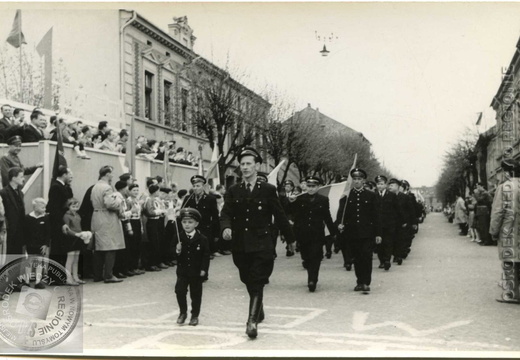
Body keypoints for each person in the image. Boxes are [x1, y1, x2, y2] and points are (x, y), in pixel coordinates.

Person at [220, 147, 295, 339]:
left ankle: (251, 321)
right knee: (247, 278)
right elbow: (226, 213)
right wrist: (226, 227)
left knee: (257, 279)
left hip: (262, 243)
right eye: (242, 164)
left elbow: (279, 215)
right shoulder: (233, 190)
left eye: (248, 164)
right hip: (240, 244)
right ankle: (258, 308)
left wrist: (291, 240)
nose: (244, 168)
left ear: (257, 166)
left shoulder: (268, 190)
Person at [336, 168, 381, 293]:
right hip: (352, 233)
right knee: (356, 257)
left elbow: (376, 216)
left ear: (364, 181)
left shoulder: (371, 196)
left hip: (367, 233)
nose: (356, 181)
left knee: (366, 257)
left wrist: (378, 233)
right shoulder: (346, 196)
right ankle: (359, 281)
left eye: (359, 179)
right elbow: (341, 214)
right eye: (354, 179)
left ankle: (366, 282)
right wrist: (340, 224)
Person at [288, 175, 335, 292]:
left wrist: (333, 232)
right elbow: (291, 213)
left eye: (313, 186)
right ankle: (310, 271)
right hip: (302, 233)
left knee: (315, 256)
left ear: (318, 187)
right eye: (309, 186)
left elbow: (327, 216)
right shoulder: (300, 199)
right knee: (306, 257)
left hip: (317, 233)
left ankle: (312, 280)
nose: (311, 189)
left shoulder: (323, 200)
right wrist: (291, 202)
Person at [490, 159, 520, 303]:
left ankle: (512, 293)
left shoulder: (504, 187)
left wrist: (493, 231)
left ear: (505, 172)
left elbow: (498, 212)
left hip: (510, 230)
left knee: (509, 261)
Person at [175, 208, 210, 326]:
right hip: (182, 271)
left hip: (196, 272)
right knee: (179, 291)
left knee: (195, 294)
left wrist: (204, 270)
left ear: (196, 223)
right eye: (184, 222)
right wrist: (177, 250)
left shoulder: (202, 239)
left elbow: (205, 256)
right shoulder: (179, 238)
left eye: (190, 222)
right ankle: (182, 313)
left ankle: (195, 315)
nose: (187, 225)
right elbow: (170, 253)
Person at [91, 165, 126, 283]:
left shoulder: (95, 186)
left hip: (96, 216)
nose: (112, 176)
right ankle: (109, 275)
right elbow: (110, 204)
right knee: (111, 246)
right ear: (107, 174)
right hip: (107, 217)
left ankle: (97, 274)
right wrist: (119, 202)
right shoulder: (107, 187)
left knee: (99, 247)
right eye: (111, 173)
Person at [0, 167, 26, 287]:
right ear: (14, 178)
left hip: (20, 230)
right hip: (9, 230)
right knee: (8, 256)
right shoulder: (4, 192)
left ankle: (15, 283)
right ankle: (7, 283)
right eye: (21, 176)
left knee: (18, 256)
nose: (23, 179)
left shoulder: (20, 192)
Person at [47, 166, 74, 273]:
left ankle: (60, 274)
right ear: (64, 175)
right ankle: (55, 275)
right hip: (58, 222)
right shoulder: (56, 187)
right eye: (69, 174)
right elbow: (54, 208)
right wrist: (61, 223)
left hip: (62, 220)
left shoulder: (63, 187)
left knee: (62, 248)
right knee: (57, 249)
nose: (71, 176)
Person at [374, 175, 401, 271]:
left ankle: (387, 260)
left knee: (388, 242)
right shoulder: (374, 195)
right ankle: (381, 260)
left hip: (389, 224)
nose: (379, 186)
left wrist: (396, 222)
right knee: (379, 244)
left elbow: (397, 210)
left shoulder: (392, 196)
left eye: (381, 184)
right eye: (378, 184)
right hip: (378, 224)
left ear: (385, 185)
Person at [62, 198, 91, 285]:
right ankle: (68, 278)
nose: (75, 208)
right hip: (71, 239)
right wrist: (75, 234)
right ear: (69, 206)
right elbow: (67, 229)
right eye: (73, 206)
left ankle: (76, 277)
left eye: (76, 206)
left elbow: (79, 227)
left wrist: (82, 234)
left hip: (78, 238)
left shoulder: (78, 215)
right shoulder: (66, 216)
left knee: (76, 259)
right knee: (70, 259)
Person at [23, 198, 50, 289]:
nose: (45, 210)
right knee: (29, 263)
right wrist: (25, 245)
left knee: (39, 262)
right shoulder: (27, 218)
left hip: (41, 245)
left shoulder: (45, 218)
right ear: (35, 208)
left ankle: (38, 281)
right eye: (42, 208)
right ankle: (27, 281)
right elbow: (25, 233)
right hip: (29, 245)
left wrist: (46, 245)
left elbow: (48, 233)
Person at [143, 184, 167, 272]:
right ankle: (151, 264)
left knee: (158, 242)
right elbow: (149, 212)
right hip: (152, 222)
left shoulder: (155, 200)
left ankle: (157, 262)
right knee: (153, 243)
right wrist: (160, 211)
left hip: (157, 221)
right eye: (158, 191)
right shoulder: (149, 200)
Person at [126, 183, 145, 275]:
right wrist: (129, 228)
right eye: (134, 190)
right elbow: (127, 215)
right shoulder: (128, 201)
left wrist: (141, 227)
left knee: (138, 246)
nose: (136, 192)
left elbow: (140, 215)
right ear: (129, 191)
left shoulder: (137, 200)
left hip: (137, 222)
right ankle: (130, 267)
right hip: (131, 223)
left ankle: (135, 266)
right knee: (132, 246)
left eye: (137, 190)